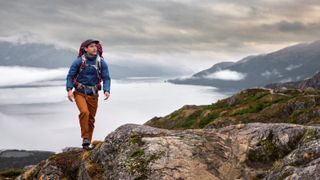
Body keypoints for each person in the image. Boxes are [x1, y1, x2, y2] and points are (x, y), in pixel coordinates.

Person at [66, 39, 111, 150]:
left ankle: (87, 144)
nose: (94, 48)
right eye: (91, 46)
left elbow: (106, 78)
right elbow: (70, 76)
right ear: (85, 49)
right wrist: (69, 90)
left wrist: (106, 90)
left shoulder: (101, 62)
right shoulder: (79, 61)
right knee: (84, 113)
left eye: (95, 46)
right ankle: (85, 138)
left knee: (91, 119)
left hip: (93, 94)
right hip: (80, 93)